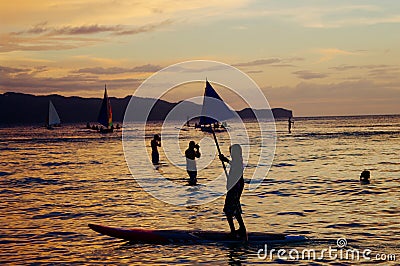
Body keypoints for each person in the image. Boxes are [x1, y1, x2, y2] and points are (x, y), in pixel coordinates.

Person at [219, 144, 247, 240]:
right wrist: (225, 160)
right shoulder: (237, 161)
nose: (230, 153)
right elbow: (233, 165)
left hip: (235, 187)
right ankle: (241, 229)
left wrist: (225, 160)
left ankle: (234, 231)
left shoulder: (238, 161)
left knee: (229, 209)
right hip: (235, 186)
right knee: (234, 208)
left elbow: (235, 166)